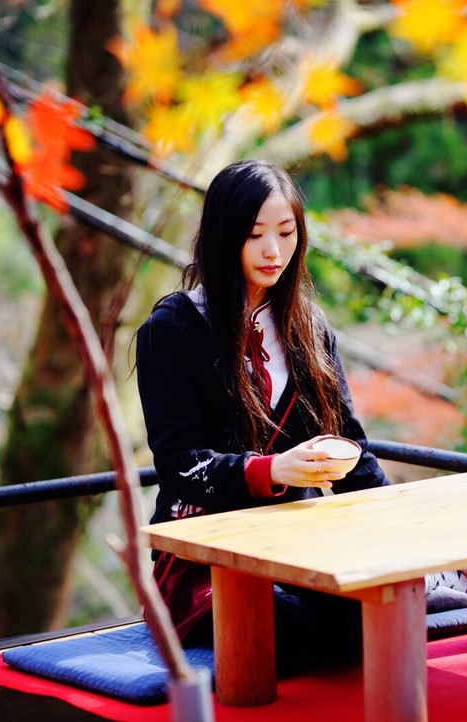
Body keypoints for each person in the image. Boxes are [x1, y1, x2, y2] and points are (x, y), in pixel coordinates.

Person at [134, 159, 387, 674]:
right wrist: (272, 471)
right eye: (255, 235)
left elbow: (351, 445)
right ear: (224, 238)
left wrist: (401, 526)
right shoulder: (172, 330)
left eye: (287, 232)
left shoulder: (307, 327)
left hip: (297, 547)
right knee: (287, 626)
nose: (274, 251)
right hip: (203, 555)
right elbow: (180, 466)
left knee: (370, 613)